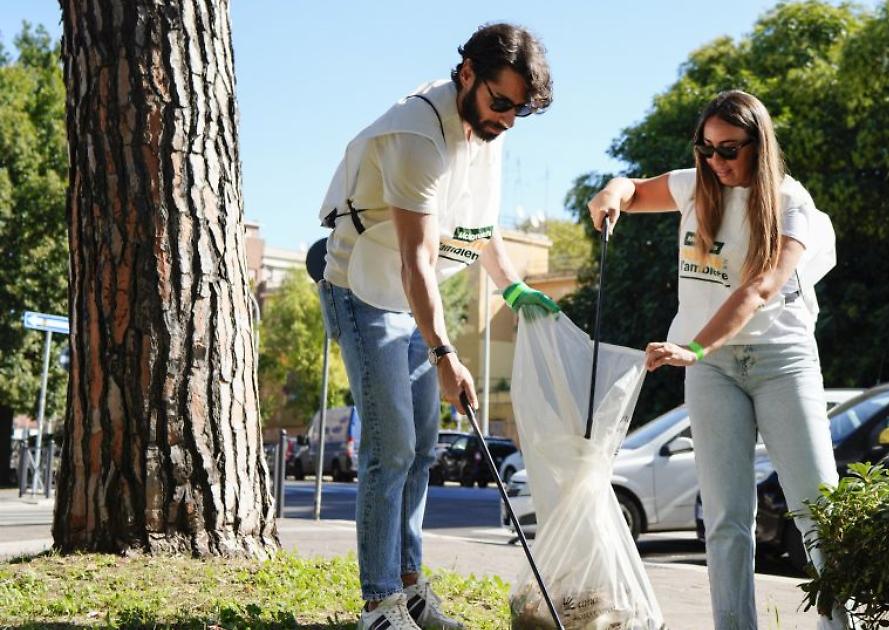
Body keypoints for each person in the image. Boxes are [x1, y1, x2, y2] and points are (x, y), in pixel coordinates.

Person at [315, 23, 560, 630]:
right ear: (467, 73)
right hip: (363, 289)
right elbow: (415, 259)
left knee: (424, 447)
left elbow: (479, 223)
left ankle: (410, 587)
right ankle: (380, 606)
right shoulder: (417, 133)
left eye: (520, 110)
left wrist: (514, 288)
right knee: (391, 447)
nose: (507, 120)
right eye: (500, 102)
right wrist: (446, 354)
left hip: (409, 299)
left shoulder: (486, 129)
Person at [587, 90, 852, 629]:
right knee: (726, 519)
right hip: (711, 370)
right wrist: (612, 192)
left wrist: (694, 346)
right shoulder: (694, 186)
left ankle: (837, 625)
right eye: (705, 149)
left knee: (818, 510)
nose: (716, 161)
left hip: (781, 359)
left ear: (759, 144)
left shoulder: (791, 203)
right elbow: (633, 190)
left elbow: (762, 287)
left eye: (729, 149)